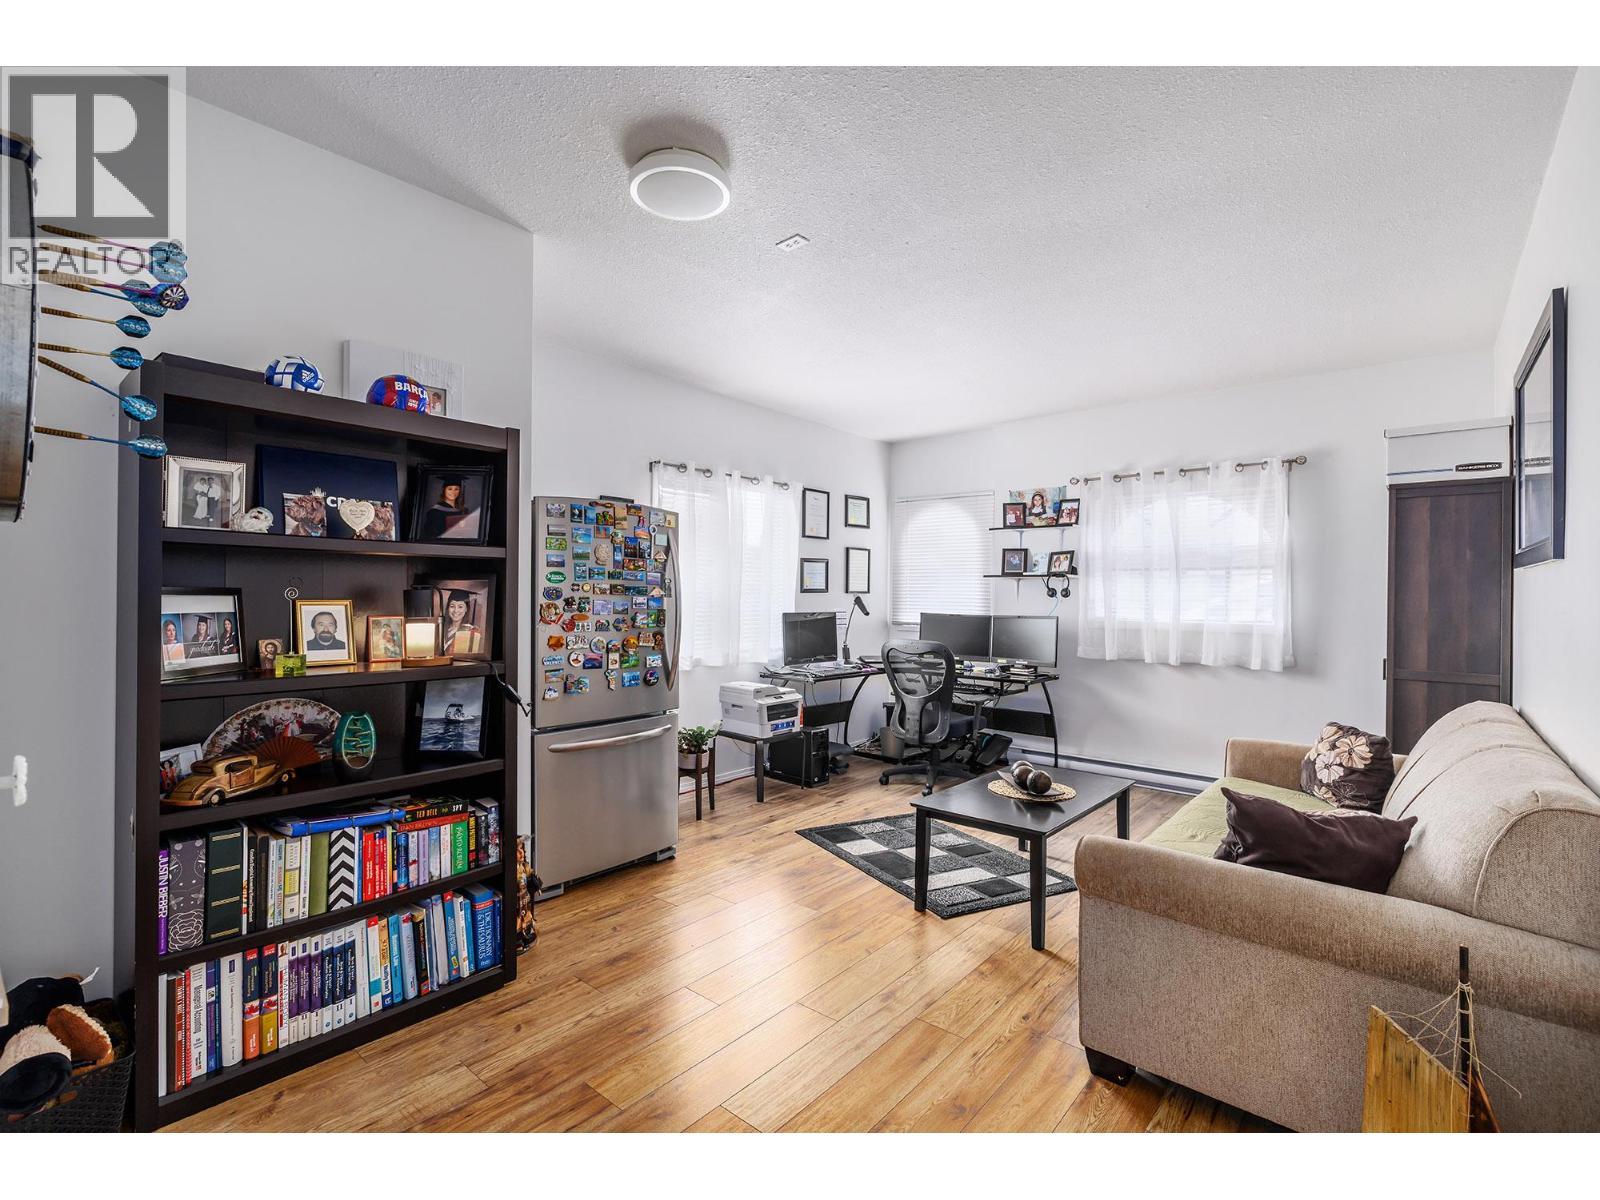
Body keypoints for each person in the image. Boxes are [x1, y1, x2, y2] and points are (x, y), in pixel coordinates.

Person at [440, 589, 484, 656]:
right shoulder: (439, 629)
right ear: (448, 608)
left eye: (460, 607)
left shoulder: (472, 631)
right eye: (452, 606)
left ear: (466, 609)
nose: (456, 610)